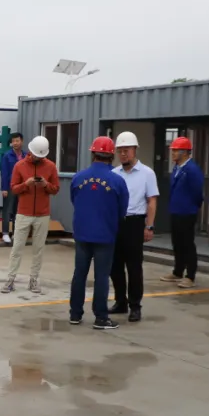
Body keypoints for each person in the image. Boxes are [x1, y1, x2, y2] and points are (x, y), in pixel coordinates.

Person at [69, 136, 129, 329]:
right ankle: (101, 317)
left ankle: (75, 314)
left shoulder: (78, 178)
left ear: (93, 154)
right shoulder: (118, 181)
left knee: (79, 274)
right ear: (112, 156)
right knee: (101, 277)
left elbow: (74, 200)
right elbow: (122, 210)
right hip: (105, 235)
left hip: (82, 233)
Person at [108, 132, 159, 323]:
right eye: (120, 151)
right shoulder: (114, 174)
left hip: (136, 223)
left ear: (135, 150)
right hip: (116, 223)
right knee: (115, 266)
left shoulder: (147, 173)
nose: (123, 154)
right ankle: (120, 301)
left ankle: (135, 306)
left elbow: (152, 201)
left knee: (134, 267)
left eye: (126, 150)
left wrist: (149, 226)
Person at [1, 135, 59, 294]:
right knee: (17, 247)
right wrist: (26, 184)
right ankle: (10, 279)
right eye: (35, 155)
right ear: (30, 151)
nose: (37, 158)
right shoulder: (19, 165)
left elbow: (55, 189)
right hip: (23, 213)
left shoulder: (50, 166)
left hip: (42, 214)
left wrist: (46, 184)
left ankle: (34, 280)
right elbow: (14, 188)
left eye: (40, 156)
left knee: (38, 249)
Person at [161, 136, 203, 289]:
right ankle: (178, 271)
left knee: (187, 244)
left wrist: (192, 207)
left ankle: (190, 276)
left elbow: (197, 193)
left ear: (184, 152)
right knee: (177, 242)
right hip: (176, 210)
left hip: (187, 212)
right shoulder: (177, 168)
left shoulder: (192, 170)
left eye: (175, 151)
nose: (172, 153)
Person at [0, 132, 26, 245]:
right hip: (10, 186)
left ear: (22, 141)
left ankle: (15, 233)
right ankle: (5, 233)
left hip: (22, 187)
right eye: (13, 141)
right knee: (7, 210)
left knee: (18, 211)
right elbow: (4, 173)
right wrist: (4, 188)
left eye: (17, 141)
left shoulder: (26, 156)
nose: (15, 143)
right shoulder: (7, 155)